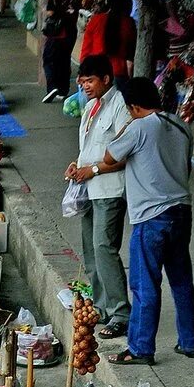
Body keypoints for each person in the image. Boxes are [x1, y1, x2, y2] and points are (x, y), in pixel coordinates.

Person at [97, 78, 194, 366]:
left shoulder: (139, 127)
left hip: (151, 216)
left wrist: (128, 126)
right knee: (181, 280)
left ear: (132, 106)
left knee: (145, 286)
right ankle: (189, 342)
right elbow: (186, 166)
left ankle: (141, 348)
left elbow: (109, 156)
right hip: (182, 211)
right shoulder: (181, 125)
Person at [65, 55, 132, 338]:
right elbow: (88, 147)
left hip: (109, 189)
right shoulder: (90, 106)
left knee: (105, 248)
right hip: (88, 189)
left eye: (90, 80)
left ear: (106, 79)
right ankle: (102, 306)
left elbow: (124, 154)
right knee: (90, 251)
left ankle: (121, 313)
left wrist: (91, 170)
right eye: (82, 80)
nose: (85, 85)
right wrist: (76, 165)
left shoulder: (121, 107)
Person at [80, 0, 136, 90]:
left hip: (95, 74)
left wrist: (83, 74)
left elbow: (85, 52)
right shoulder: (128, 23)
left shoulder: (95, 20)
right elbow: (130, 61)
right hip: (119, 74)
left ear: (107, 0)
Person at [41, 0, 82, 103]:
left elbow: (51, 11)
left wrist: (46, 12)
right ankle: (63, 89)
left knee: (49, 58)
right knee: (64, 60)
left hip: (58, 32)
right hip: (72, 30)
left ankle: (52, 86)